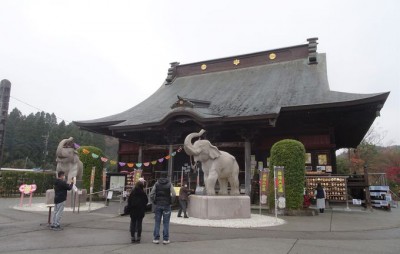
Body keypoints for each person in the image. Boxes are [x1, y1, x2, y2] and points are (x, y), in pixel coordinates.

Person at [149, 172, 176, 245]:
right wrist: (171, 202)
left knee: (157, 222)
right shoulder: (169, 184)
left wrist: (154, 201)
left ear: (160, 176)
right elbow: (174, 194)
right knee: (166, 223)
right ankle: (165, 239)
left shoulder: (156, 184)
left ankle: (156, 239)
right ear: (166, 176)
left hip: (158, 205)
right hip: (167, 205)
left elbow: (151, 194)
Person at [127, 178, 148, 244]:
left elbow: (129, 201)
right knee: (139, 224)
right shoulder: (143, 193)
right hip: (140, 211)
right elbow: (146, 201)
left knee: (133, 223)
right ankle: (138, 237)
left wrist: (129, 208)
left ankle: (132, 237)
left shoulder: (132, 193)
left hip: (133, 211)